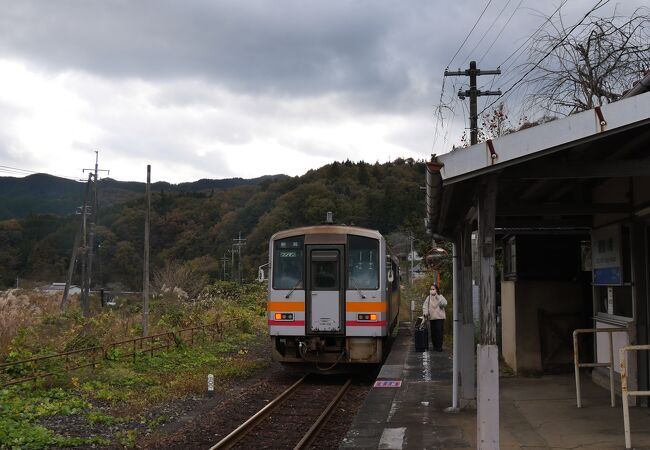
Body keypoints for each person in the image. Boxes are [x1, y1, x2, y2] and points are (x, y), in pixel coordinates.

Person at [422, 284, 447, 352]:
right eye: (431, 289)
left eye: (433, 289)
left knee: (439, 332)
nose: (432, 290)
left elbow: (444, 304)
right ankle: (435, 346)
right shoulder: (428, 298)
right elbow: (425, 306)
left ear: (436, 290)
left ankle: (439, 347)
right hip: (432, 317)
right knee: (433, 333)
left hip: (440, 318)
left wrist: (438, 297)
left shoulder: (440, 296)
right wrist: (425, 313)